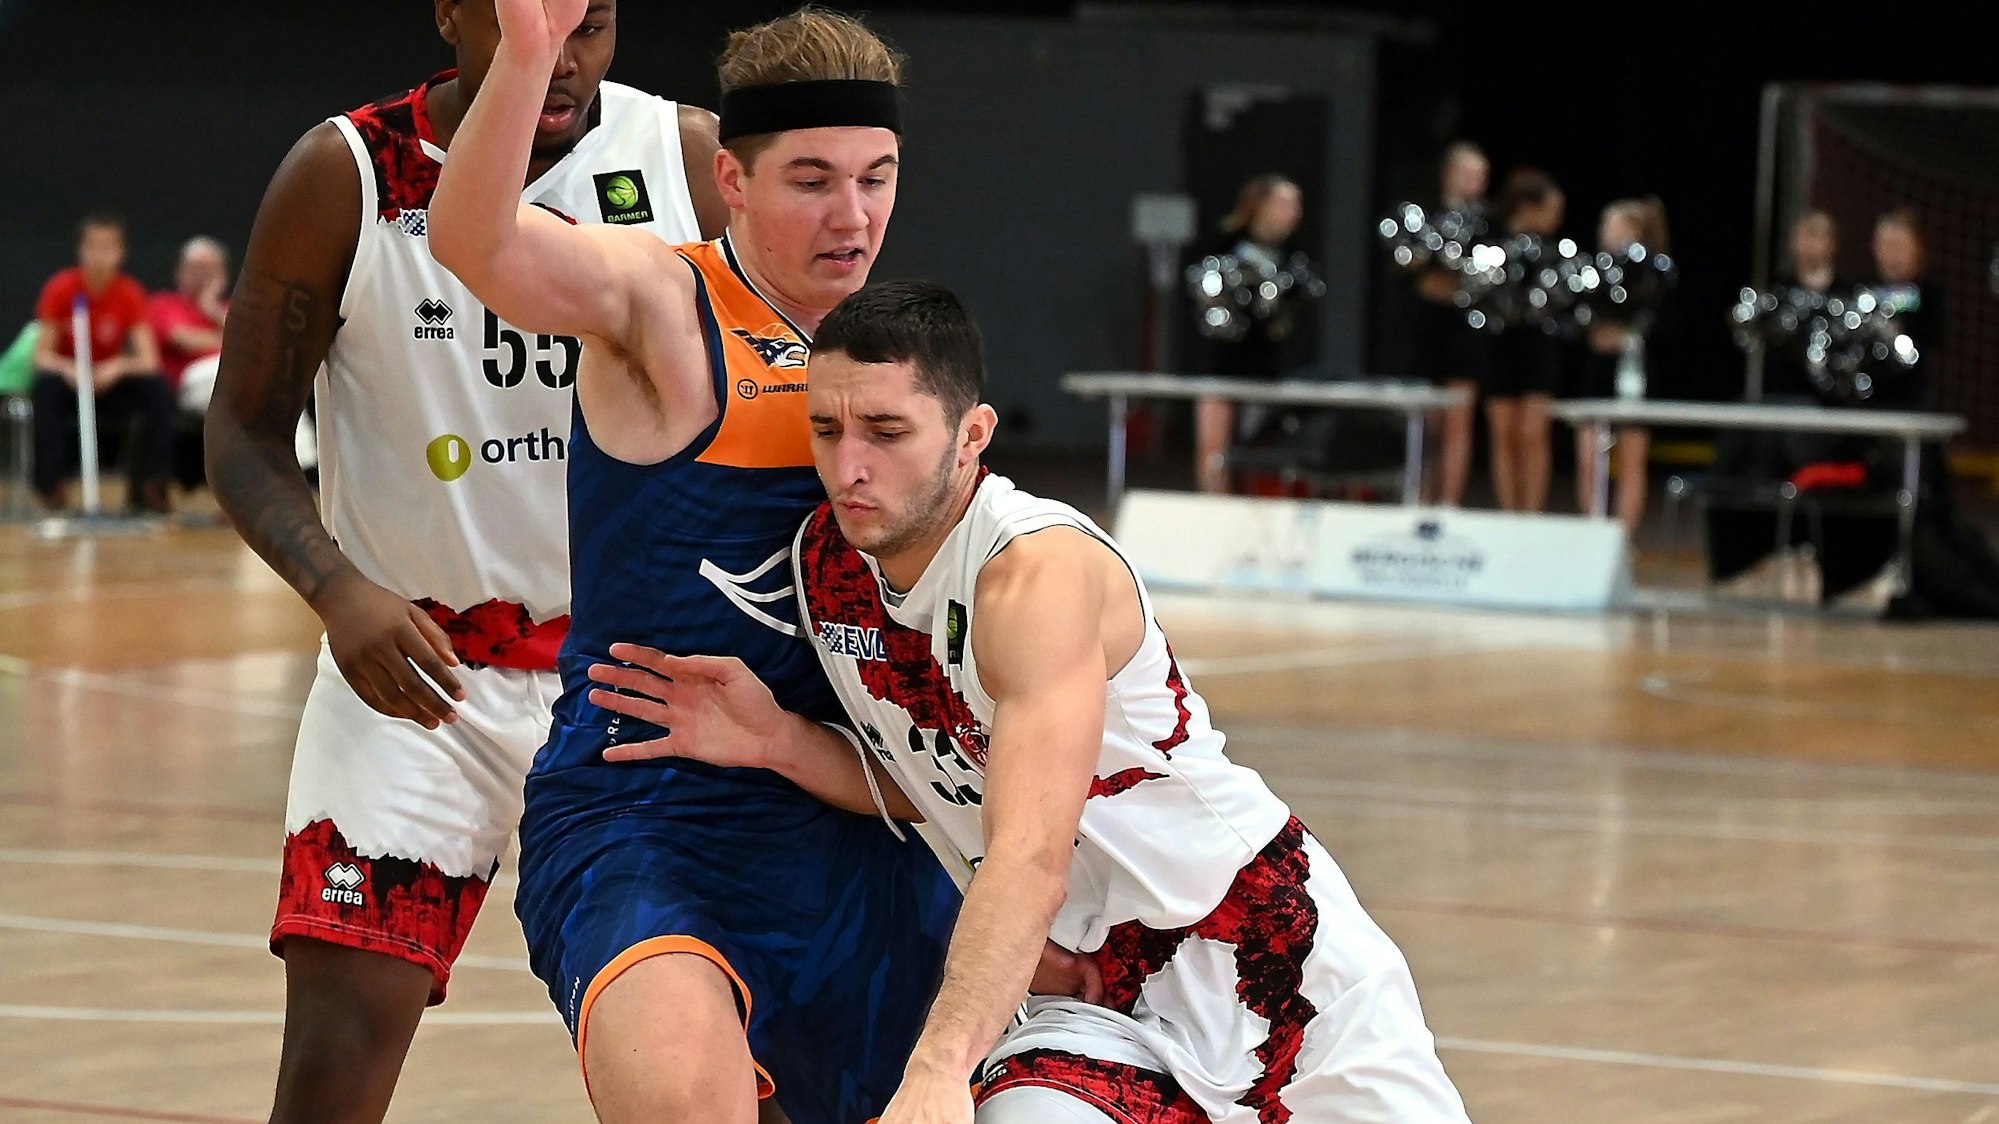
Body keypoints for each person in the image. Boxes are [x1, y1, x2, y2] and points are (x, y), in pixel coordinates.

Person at [589, 280, 1471, 1124]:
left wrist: (935, 1072)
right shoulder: (826, 566)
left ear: (972, 435)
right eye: (826, 429)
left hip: (1264, 956)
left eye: (887, 431)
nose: (849, 466)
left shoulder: (1034, 574)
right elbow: (941, 784)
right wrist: (780, 741)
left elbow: (1028, 852)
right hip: (1093, 1002)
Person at [426, 4, 957, 1123]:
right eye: (811, 179)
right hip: (648, 807)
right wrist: (528, 52)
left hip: (848, 814)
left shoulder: (902, 361)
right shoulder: (665, 304)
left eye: (878, 176)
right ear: (731, 179)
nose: (852, 215)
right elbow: (477, 245)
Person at [203, 2, 722, 1120]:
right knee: (338, 1043)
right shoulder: (345, 173)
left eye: (596, 24)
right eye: (534, 22)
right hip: (418, 671)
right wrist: (337, 588)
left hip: (633, 678)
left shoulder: (684, 160)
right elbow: (242, 429)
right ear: (451, 13)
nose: (566, 57)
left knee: (716, 1049)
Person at [31, 213, 173, 513]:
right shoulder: (61, 288)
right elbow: (42, 356)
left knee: (157, 389)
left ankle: (153, 483)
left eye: (108, 248)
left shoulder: (129, 292)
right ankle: (51, 484)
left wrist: (119, 366)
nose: (99, 256)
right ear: (80, 250)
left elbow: (149, 360)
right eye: (92, 247)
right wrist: (69, 369)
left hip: (110, 385)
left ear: (121, 253)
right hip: (71, 384)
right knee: (46, 386)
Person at [1193, 174, 1309, 494]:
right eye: (1286, 204)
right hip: (1222, 363)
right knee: (1213, 449)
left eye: (1297, 205)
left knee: (1263, 449)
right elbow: (1208, 300)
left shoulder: (1294, 258)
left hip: (1270, 369)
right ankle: (1215, 515)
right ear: (1261, 206)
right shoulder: (1224, 248)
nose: (1295, 212)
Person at [1570, 197, 1674, 536]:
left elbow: (1655, 321)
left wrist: (1626, 335)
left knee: (1631, 460)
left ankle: (1622, 541)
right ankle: (1593, 534)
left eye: (1612, 226)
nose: (1605, 233)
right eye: (1604, 226)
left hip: (1632, 368)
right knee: (1589, 459)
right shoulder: (1591, 273)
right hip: (1595, 367)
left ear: (1633, 232)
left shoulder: (1651, 271)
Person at [1409, 141, 1492, 507]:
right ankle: (1421, 500)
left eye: (1481, 175)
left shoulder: (1488, 225)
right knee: (1429, 422)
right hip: (1427, 324)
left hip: (1466, 325)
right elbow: (1415, 269)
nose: (1475, 182)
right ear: (1448, 174)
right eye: (1468, 173)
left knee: (1460, 419)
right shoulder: (1422, 219)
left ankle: (1449, 504)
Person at [1484, 167, 1567, 513]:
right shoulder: (1493, 248)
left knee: (1534, 434)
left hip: (1538, 345)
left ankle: (1532, 514)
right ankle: (1509, 513)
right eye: (1552, 210)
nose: (1557, 219)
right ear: (1529, 208)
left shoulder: (1554, 254)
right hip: (1499, 343)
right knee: (1504, 435)